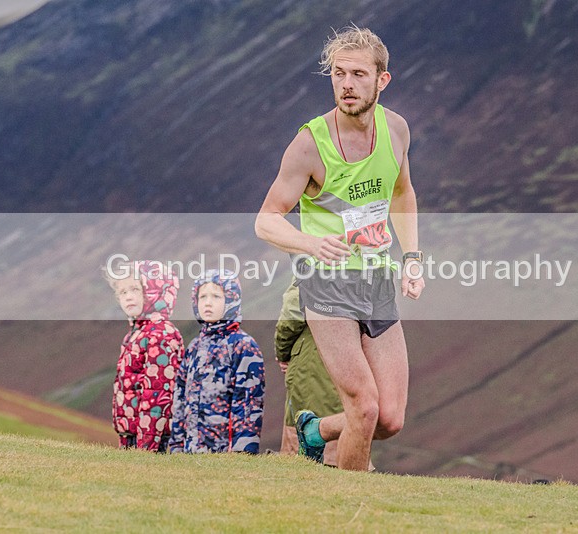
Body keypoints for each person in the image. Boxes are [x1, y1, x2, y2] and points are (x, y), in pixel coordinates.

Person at [255, 25, 424, 471]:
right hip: (327, 285)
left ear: (381, 80)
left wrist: (412, 259)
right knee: (364, 409)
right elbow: (266, 220)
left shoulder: (397, 131)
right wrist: (312, 244)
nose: (346, 85)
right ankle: (346, 510)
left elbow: (402, 194)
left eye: (358, 75)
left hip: (377, 282)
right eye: (338, 74)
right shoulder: (310, 144)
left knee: (389, 419)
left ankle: (315, 431)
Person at [169, 270, 265, 454]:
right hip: (189, 454)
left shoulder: (243, 346)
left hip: (224, 455)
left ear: (231, 300)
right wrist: (176, 448)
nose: (208, 302)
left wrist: (241, 454)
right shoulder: (194, 347)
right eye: (202, 296)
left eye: (216, 296)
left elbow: (248, 405)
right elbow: (180, 399)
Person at [106, 260, 183, 452]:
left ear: (154, 291)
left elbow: (158, 395)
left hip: (156, 442)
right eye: (123, 292)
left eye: (135, 289)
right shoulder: (135, 334)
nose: (128, 297)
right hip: (134, 435)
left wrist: (146, 447)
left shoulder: (160, 334)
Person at [275, 279, 343, 466]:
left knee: (301, 431)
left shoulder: (313, 262)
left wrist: (283, 352)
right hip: (354, 360)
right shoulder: (366, 264)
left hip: (310, 361)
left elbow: (292, 312)